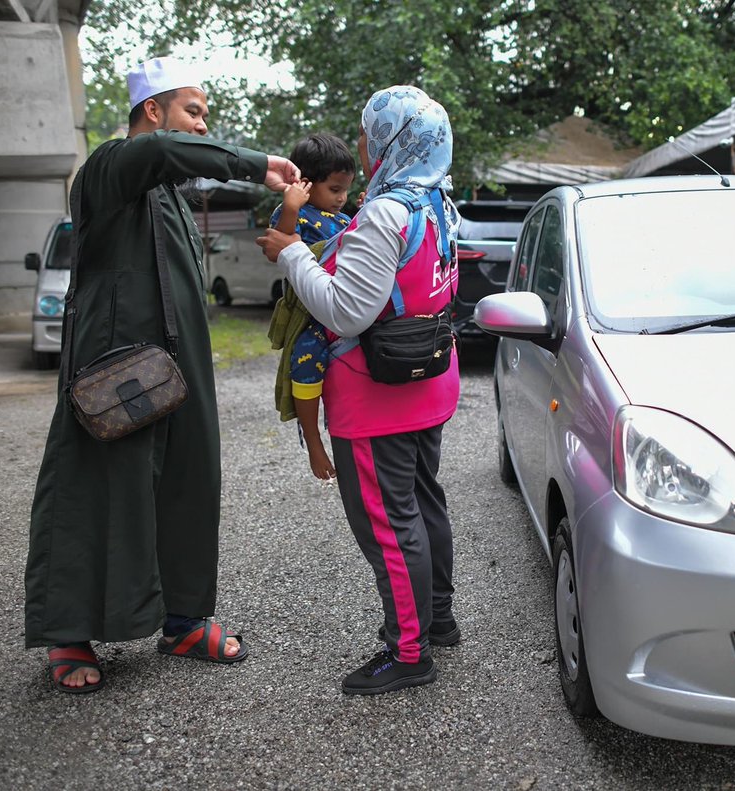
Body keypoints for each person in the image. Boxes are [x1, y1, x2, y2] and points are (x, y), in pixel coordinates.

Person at [24, 56, 301, 694]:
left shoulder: (170, 192)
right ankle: (69, 631)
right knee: (97, 487)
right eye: (194, 112)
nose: (203, 127)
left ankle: (181, 621)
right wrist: (253, 162)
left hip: (181, 364)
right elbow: (162, 155)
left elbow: (174, 166)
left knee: (188, 483)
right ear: (154, 112)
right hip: (113, 362)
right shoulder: (110, 167)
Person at [257, 85, 460, 695]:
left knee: (389, 526)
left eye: (371, 132)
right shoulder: (439, 201)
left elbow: (347, 313)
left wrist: (294, 255)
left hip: (376, 394)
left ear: (396, 138)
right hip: (427, 378)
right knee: (425, 503)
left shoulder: (385, 212)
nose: (365, 143)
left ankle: (408, 653)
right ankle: (438, 619)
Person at [268, 134, 355, 480]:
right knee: (305, 358)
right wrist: (290, 206)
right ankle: (314, 440)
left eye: (346, 189)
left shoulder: (344, 219)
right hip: (310, 315)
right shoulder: (295, 213)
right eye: (335, 189)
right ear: (305, 184)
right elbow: (281, 244)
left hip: (342, 306)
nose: (342, 198)